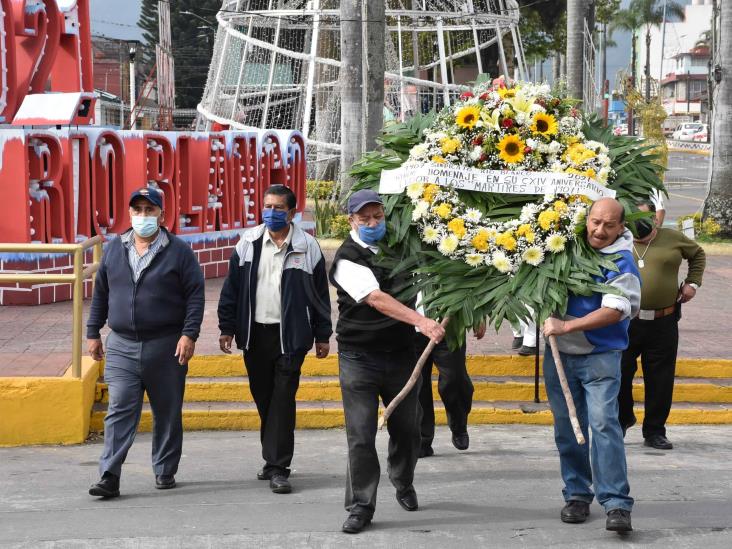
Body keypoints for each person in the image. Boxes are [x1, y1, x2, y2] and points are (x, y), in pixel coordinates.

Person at [330, 189, 445, 534]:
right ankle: (361, 505)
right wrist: (421, 322)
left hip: (402, 356)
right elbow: (376, 298)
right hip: (358, 358)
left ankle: (403, 479)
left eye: (377, 217)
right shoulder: (347, 258)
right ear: (350, 220)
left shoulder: (401, 249)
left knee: (409, 430)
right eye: (363, 219)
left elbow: (427, 279)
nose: (371, 223)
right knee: (361, 435)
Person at [87, 186, 205, 498]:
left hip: (166, 345)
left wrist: (189, 334)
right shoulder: (115, 248)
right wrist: (92, 331)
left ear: (161, 215)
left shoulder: (179, 251)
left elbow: (195, 295)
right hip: (122, 345)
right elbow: (101, 292)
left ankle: (165, 469)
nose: (143, 217)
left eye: (149, 211)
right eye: (137, 210)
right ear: (129, 214)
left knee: (167, 411)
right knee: (120, 408)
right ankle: (109, 474)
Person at [217, 184, 332, 495]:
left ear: (291, 212)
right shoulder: (248, 242)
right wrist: (226, 327)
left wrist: (323, 334)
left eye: (278, 208)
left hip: (290, 338)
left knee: (283, 401)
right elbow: (232, 289)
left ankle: (279, 467)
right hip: (254, 335)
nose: (271, 212)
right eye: (267, 206)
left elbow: (320, 295)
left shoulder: (307, 247)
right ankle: (272, 459)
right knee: (264, 399)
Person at [542, 198, 640, 533]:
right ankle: (577, 495)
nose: (600, 230)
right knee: (568, 430)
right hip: (558, 357)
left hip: (600, 356)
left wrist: (566, 326)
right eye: (595, 222)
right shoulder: (563, 247)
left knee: (602, 425)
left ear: (621, 227)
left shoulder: (623, 262)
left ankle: (616, 503)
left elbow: (614, 310)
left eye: (609, 225)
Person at [618, 201, 705, 450]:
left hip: (663, 320)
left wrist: (693, 283)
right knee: (620, 373)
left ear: (655, 217)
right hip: (626, 321)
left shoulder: (673, 238)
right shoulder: (620, 239)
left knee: (660, 378)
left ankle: (655, 430)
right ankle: (623, 418)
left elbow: (698, 254)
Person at [415, 316, 485, 457]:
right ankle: (422, 438)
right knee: (418, 384)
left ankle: (459, 424)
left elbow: (470, 292)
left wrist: (478, 316)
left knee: (454, 378)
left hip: (447, 323)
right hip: (412, 326)